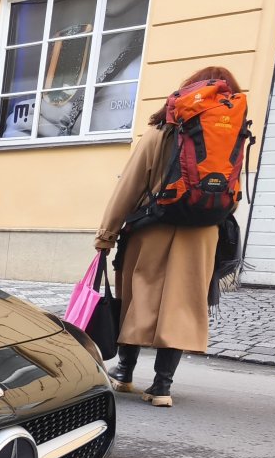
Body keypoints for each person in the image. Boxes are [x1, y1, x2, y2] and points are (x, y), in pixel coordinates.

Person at [94, 66, 243, 408]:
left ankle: (124, 372)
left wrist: (107, 234)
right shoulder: (232, 133)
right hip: (202, 234)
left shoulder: (161, 132)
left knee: (137, 297)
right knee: (182, 303)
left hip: (152, 227)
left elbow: (129, 186)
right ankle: (162, 386)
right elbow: (231, 194)